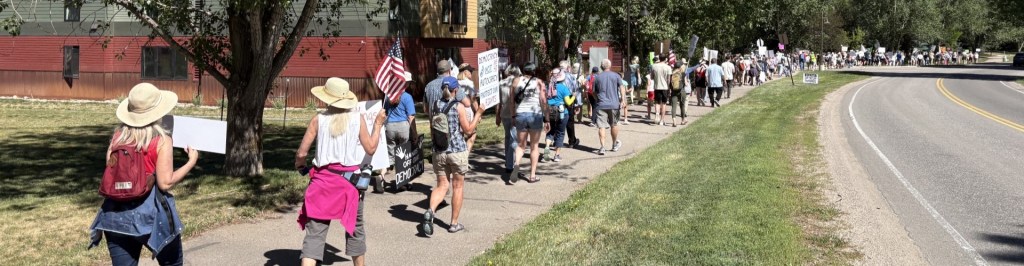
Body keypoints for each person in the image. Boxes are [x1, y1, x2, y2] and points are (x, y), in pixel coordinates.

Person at [89, 83, 199, 266]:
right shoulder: (162, 140)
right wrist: (191, 162)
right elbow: (166, 183)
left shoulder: (117, 137)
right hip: (152, 216)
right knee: (172, 263)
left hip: (114, 217)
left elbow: (112, 170)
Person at [294, 78, 387, 266]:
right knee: (355, 229)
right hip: (349, 184)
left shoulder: (317, 120)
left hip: (322, 183)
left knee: (315, 234)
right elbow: (370, 148)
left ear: (327, 98)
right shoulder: (357, 119)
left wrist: (300, 165)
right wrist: (377, 125)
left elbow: (301, 153)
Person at [422, 76, 483, 236]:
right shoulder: (458, 107)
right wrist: (479, 114)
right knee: (457, 187)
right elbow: (468, 130)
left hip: (439, 151)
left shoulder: (434, 106)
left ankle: (431, 210)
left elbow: (431, 127)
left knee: (442, 185)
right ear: (455, 90)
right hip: (456, 151)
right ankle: (454, 224)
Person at [507, 62, 549, 183]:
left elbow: (511, 101)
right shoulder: (539, 82)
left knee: (521, 145)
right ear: (534, 71)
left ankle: (517, 163)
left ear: (524, 71)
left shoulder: (515, 81)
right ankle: (532, 175)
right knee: (534, 146)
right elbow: (543, 101)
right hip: (535, 114)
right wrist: (547, 118)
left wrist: (513, 116)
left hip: (520, 114)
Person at [379, 73, 417, 192]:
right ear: (405, 83)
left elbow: (384, 112)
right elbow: (411, 117)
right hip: (403, 127)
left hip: (390, 126)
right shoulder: (407, 97)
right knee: (402, 156)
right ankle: (402, 182)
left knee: (390, 155)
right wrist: (414, 133)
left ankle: (381, 177)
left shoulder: (388, 96)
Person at [592, 59, 624, 155]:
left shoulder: (597, 78)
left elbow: (593, 92)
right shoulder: (616, 76)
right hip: (614, 104)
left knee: (601, 126)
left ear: (601, 67)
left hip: (601, 104)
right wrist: (623, 100)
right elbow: (622, 87)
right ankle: (614, 144)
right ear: (610, 66)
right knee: (614, 124)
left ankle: (602, 147)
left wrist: (597, 99)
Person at [495, 65, 520, 185]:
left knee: (508, 137)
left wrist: (497, 115)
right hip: (516, 113)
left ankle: (508, 163)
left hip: (504, 113)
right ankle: (513, 164)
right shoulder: (519, 82)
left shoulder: (501, 83)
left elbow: (498, 101)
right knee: (514, 139)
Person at [544, 68, 572, 162]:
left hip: (550, 112)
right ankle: (557, 155)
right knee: (560, 133)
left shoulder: (548, 86)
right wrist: (574, 96)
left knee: (551, 131)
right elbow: (568, 102)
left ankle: (547, 148)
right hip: (562, 112)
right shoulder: (564, 88)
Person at [457, 63, 479, 155]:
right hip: (467, 110)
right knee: (472, 133)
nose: (471, 73)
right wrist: (479, 113)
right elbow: (473, 100)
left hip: (456, 109)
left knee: (460, 134)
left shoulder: (455, 82)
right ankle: (465, 156)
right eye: (470, 71)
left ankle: (459, 154)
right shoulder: (469, 83)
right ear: (465, 72)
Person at [650, 54, 673, 126]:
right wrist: (669, 87)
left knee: (657, 102)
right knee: (664, 103)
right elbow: (669, 79)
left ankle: (657, 114)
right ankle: (662, 120)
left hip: (657, 87)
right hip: (665, 87)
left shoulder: (654, 66)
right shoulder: (668, 67)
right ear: (665, 59)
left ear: (659, 58)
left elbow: (651, 77)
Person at [668, 60, 690, 127]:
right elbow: (686, 84)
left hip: (674, 92)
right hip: (681, 91)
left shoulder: (671, 74)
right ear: (680, 67)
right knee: (682, 106)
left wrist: (670, 90)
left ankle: (674, 122)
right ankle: (683, 120)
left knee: (674, 107)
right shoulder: (683, 73)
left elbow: (669, 83)